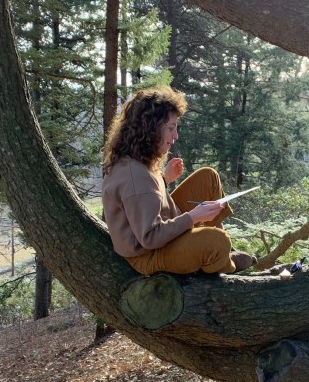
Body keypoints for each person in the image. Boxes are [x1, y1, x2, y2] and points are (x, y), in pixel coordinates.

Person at [102, 86, 256, 275]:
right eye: (170, 128)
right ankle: (225, 264)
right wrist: (194, 217)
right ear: (150, 129)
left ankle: (221, 252)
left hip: (164, 231)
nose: (175, 136)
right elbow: (150, 237)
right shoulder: (135, 178)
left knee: (207, 177)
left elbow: (145, 199)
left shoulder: (135, 161)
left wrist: (164, 179)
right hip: (149, 254)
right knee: (217, 241)